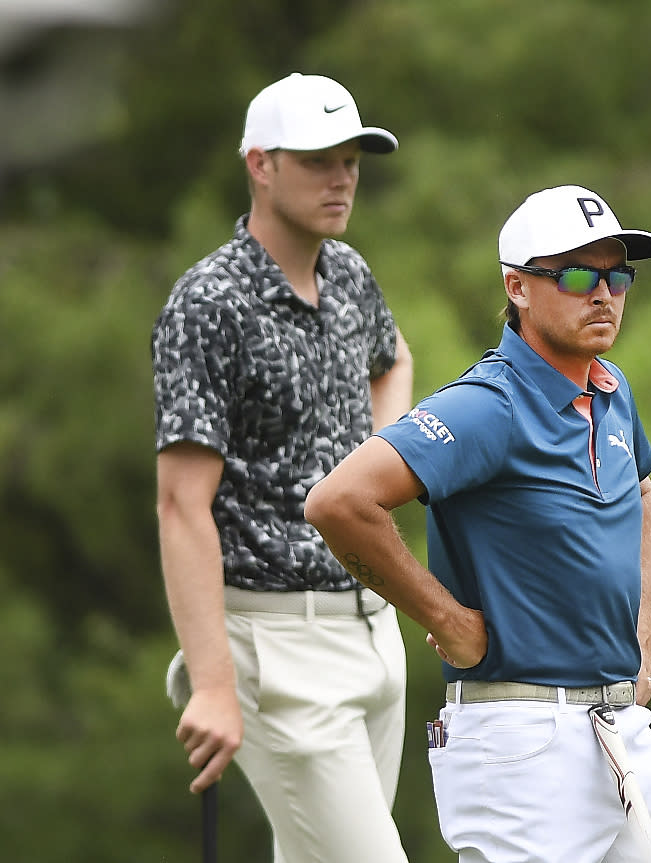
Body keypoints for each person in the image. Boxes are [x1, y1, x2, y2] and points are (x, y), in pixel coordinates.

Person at [305, 184, 651, 862]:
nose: (602, 293)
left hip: (617, 725)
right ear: (517, 287)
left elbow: (642, 487)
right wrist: (447, 618)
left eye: (616, 274)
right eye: (577, 275)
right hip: (520, 737)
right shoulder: (487, 404)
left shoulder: (609, 386)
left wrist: (645, 622)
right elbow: (338, 502)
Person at [152, 72, 413, 863]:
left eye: (352, 160)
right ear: (259, 164)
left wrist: (374, 467)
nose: (341, 178)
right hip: (274, 648)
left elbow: (393, 359)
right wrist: (213, 683)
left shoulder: (348, 275)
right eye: (318, 160)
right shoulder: (209, 302)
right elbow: (179, 505)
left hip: (374, 630)